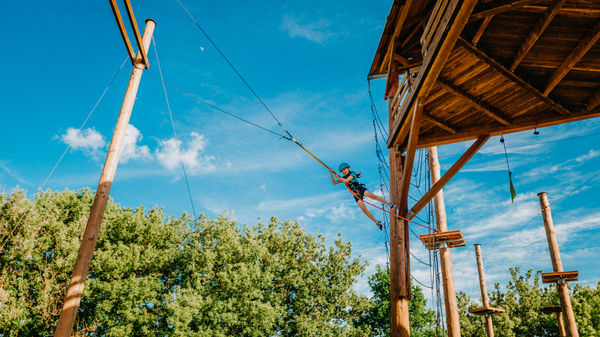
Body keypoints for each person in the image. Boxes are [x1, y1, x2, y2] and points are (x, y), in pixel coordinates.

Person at [329, 162, 395, 230]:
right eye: (342, 171)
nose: (343, 171)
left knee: (373, 197)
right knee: (364, 210)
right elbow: (334, 182)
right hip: (356, 194)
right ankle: (377, 222)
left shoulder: (352, 174)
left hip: (360, 189)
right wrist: (331, 173)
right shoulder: (342, 178)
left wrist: (338, 177)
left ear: (348, 168)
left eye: (344, 169)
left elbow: (346, 181)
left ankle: (389, 204)